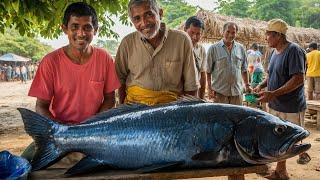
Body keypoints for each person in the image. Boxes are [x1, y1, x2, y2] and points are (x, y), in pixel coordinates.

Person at [22, 2, 120, 162]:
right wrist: (59, 129)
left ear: (95, 29)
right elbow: (41, 106)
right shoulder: (50, 62)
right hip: (59, 133)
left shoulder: (104, 59)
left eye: (87, 27)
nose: (81, 33)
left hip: (95, 133)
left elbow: (110, 99)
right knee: (26, 164)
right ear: (64, 28)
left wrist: (93, 125)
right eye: (74, 27)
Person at [254, 19, 310, 180]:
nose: (266, 38)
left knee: (290, 139)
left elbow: (298, 78)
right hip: (275, 103)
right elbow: (271, 74)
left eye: (268, 35)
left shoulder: (294, 51)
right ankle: (280, 171)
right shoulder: (274, 52)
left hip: (291, 105)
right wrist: (261, 85)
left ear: (278, 35)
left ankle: (285, 169)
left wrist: (274, 93)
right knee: (278, 139)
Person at [115, 0, 199, 105]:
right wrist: (123, 110)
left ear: (160, 13)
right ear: (132, 21)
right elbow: (120, 81)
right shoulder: (127, 43)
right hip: (134, 109)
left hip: (171, 111)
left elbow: (191, 86)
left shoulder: (182, 40)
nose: (144, 23)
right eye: (137, 18)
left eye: (149, 14)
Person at [206, 22, 250, 105]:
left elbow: (244, 69)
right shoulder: (213, 49)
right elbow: (208, 71)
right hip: (219, 93)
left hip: (237, 93)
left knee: (236, 117)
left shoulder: (241, 49)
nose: (230, 35)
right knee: (220, 117)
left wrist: (247, 85)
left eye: (233, 32)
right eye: (228, 32)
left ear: (236, 33)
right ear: (223, 32)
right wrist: (209, 89)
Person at [184, 16, 207, 99]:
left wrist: (201, 97)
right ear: (185, 30)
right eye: (192, 33)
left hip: (195, 93)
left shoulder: (201, 50)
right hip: (180, 94)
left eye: (198, 34)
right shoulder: (178, 47)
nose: (195, 37)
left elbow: (203, 74)